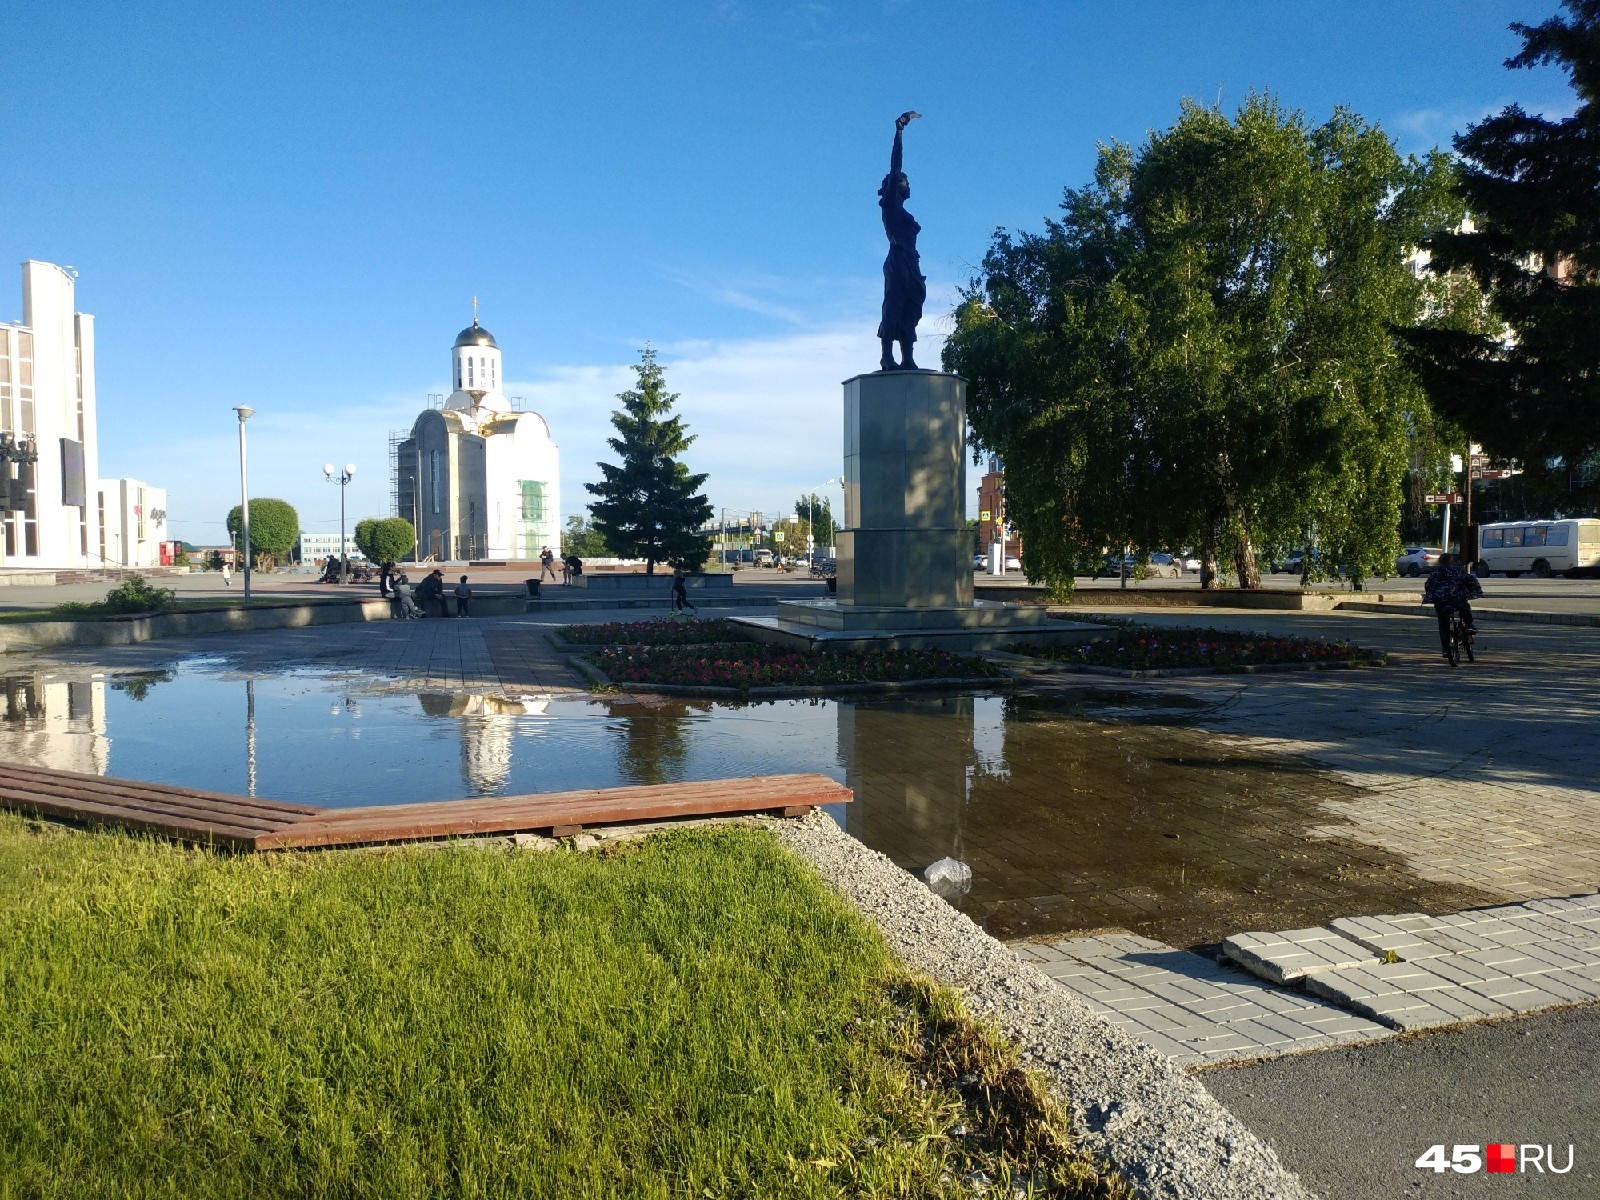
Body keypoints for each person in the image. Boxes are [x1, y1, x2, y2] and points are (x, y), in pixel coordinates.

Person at [877, 111, 926, 371]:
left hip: (911, 262)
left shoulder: (903, 211)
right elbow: (895, 166)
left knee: (912, 306)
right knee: (893, 306)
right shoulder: (891, 207)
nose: (908, 184)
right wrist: (899, 132)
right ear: (896, 186)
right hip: (897, 261)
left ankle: (907, 357)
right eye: (905, 182)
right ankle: (887, 356)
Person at [1422, 552, 1482, 660]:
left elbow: (1428, 586)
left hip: (1441, 602)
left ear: (1440, 562)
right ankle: (1469, 626)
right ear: (1452, 561)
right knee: (1465, 608)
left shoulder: (1434, 574)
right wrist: (1474, 592)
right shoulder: (1458, 572)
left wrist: (1431, 597)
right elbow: (1472, 581)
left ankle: (1446, 648)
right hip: (1457, 600)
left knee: (1443, 625)